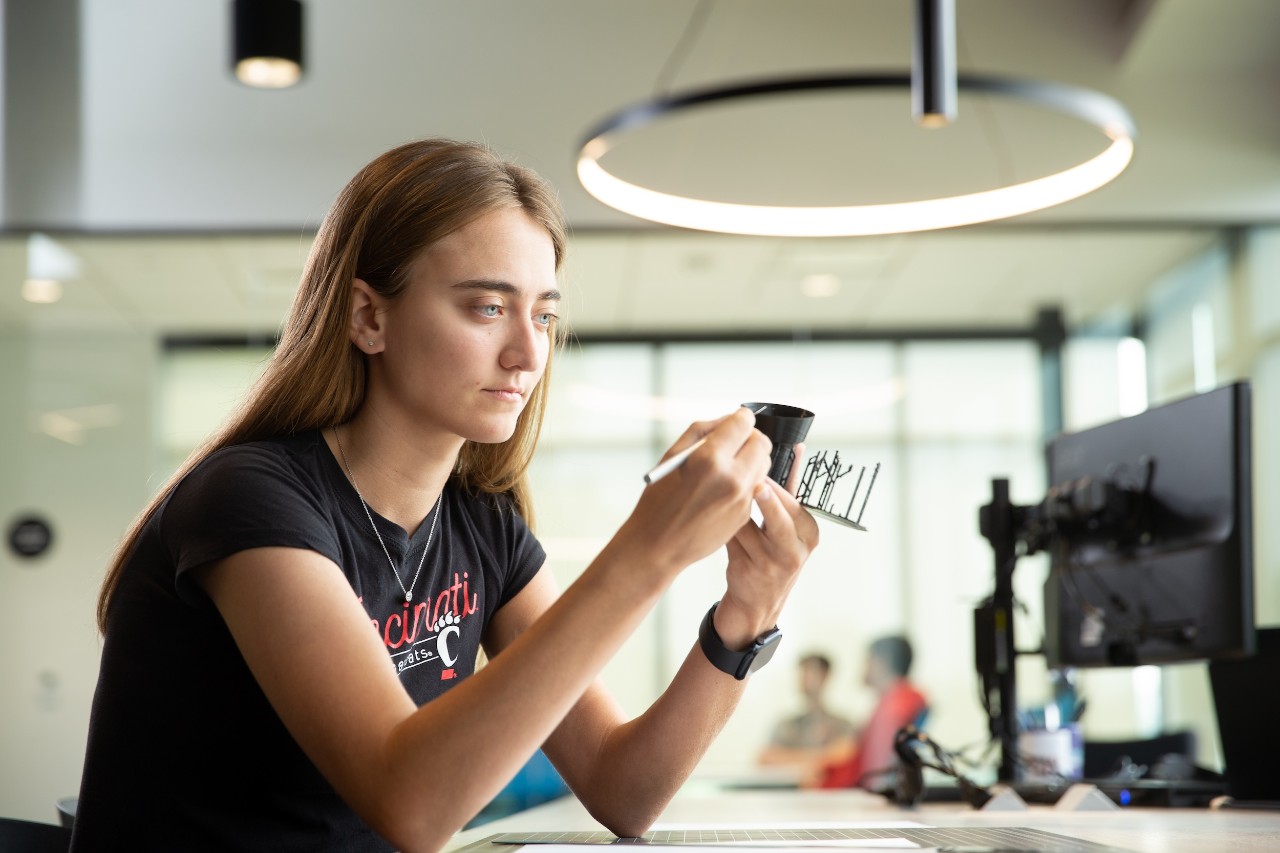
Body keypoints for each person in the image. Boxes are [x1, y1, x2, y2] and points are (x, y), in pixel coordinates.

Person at [70, 138, 819, 853]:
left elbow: (623, 788)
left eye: (545, 315)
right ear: (369, 316)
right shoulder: (250, 500)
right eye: (487, 307)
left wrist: (746, 615)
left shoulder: (483, 527)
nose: (529, 353)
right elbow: (413, 804)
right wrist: (647, 553)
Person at [807, 635, 927, 791]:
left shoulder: (893, 708)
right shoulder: (900, 699)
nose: (864, 667)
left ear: (880, 662)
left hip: (864, 799)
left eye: (867, 660)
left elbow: (878, 778)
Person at [758, 653, 854, 768]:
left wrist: (787, 757)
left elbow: (844, 755)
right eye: (802, 673)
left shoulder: (842, 724)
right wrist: (821, 758)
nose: (803, 678)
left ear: (825, 677)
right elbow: (766, 757)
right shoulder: (786, 724)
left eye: (810, 673)